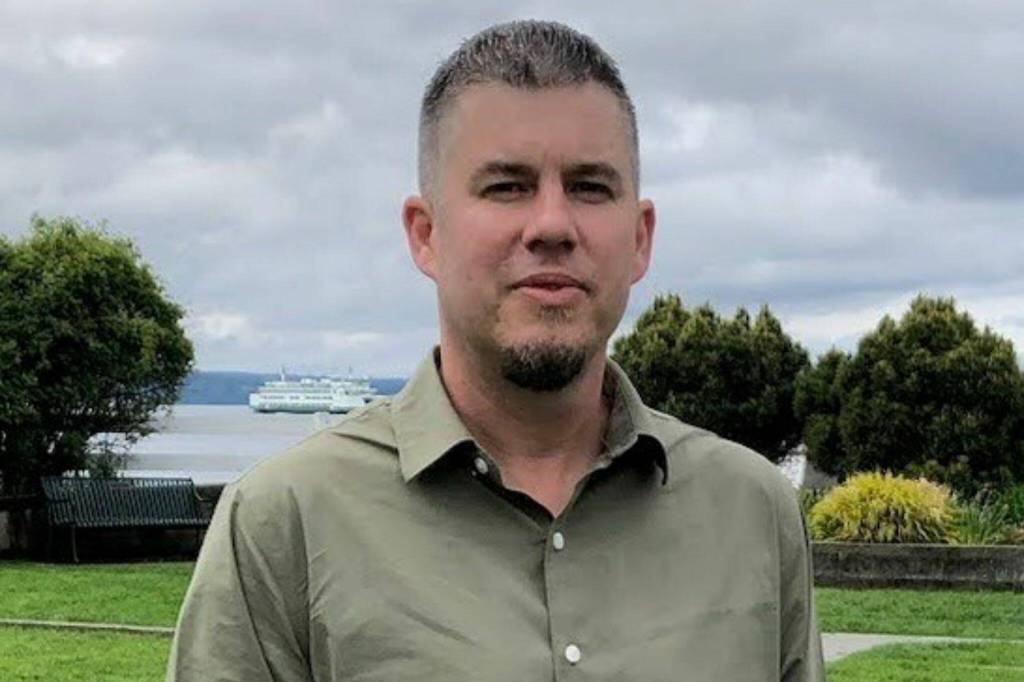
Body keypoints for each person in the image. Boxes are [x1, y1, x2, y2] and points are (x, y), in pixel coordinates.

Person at [167, 20, 825, 681]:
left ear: (640, 238)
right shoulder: (284, 523)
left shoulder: (753, 514)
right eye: (507, 186)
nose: (551, 225)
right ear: (425, 234)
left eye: (590, 186)